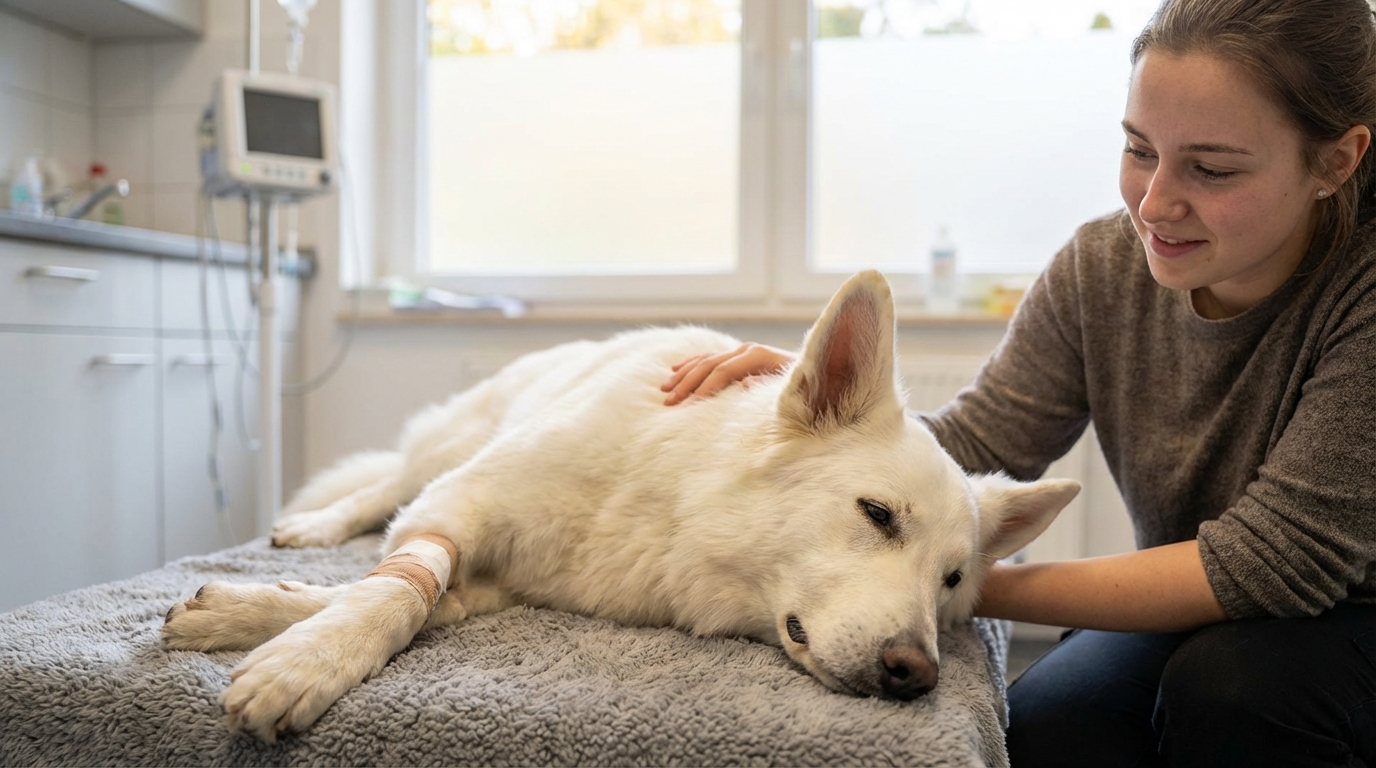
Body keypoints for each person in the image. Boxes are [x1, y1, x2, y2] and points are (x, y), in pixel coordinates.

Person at [660, 0, 1376, 764]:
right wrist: (826, 411)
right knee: (1052, 720)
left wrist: (949, 580)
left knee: (1230, 692)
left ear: (1335, 162)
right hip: (1208, 615)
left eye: (1211, 168)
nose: (1155, 202)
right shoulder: (1100, 267)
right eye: (1139, 149)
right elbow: (972, 443)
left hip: (1343, 614)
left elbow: (1273, 566)